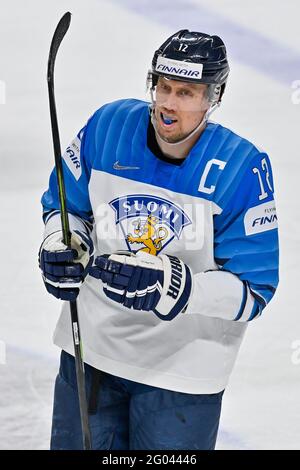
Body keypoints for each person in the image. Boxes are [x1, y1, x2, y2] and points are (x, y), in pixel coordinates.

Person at [39, 30, 279, 450]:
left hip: (181, 376)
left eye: (186, 92)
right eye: (164, 87)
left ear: (213, 97)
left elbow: (253, 290)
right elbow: (67, 207)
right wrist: (64, 243)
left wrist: (180, 287)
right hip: (91, 353)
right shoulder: (108, 126)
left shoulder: (241, 168)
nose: (168, 103)